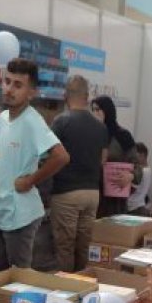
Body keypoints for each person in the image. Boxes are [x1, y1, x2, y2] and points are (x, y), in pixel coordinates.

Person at [0, 58, 69, 270]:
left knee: (18, 280)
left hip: (21, 213)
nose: (9, 89)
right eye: (7, 82)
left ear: (31, 92)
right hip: (0, 210)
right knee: (1, 276)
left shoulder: (33, 120)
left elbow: (61, 156)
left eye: (18, 85)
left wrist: (31, 180)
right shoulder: (3, 118)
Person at [49, 75, 107, 272]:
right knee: (84, 246)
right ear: (87, 96)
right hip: (92, 193)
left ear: (66, 95)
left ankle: (67, 294)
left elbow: (50, 155)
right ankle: (84, 287)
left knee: (65, 247)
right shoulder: (100, 126)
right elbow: (103, 161)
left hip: (66, 193)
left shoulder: (61, 121)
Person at [91, 95, 137, 217]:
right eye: (93, 110)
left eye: (98, 109)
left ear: (107, 111)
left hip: (115, 197)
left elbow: (138, 165)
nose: (95, 113)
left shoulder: (123, 136)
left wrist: (131, 175)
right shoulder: (90, 133)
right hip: (92, 193)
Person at [127, 143, 152, 216]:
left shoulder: (141, 171)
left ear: (142, 155)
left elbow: (131, 190)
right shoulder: (148, 170)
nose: (133, 158)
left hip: (133, 209)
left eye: (135, 155)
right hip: (140, 205)